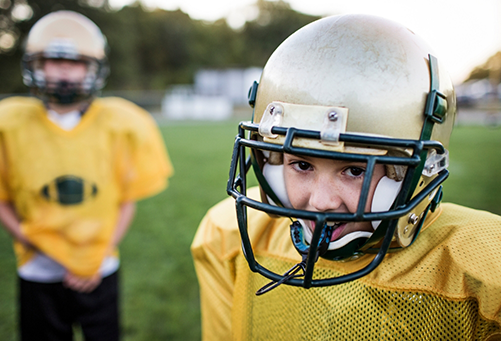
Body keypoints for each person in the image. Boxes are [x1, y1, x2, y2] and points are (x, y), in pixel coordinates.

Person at [191, 14, 501, 340]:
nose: (321, 202)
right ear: (271, 160)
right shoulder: (228, 236)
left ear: (418, 170)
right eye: (301, 165)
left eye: (354, 170)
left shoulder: (482, 271)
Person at [0, 11, 173, 341]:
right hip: (38, 267)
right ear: (34, 65)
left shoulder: (122, 124)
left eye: (77, 61)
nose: (64, 69)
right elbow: (2, 199)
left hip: (100, 267)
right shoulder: (9, 124)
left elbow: (126, 201)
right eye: (53, 59)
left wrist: (99, 254)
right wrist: (34, 243)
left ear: (94, 68)